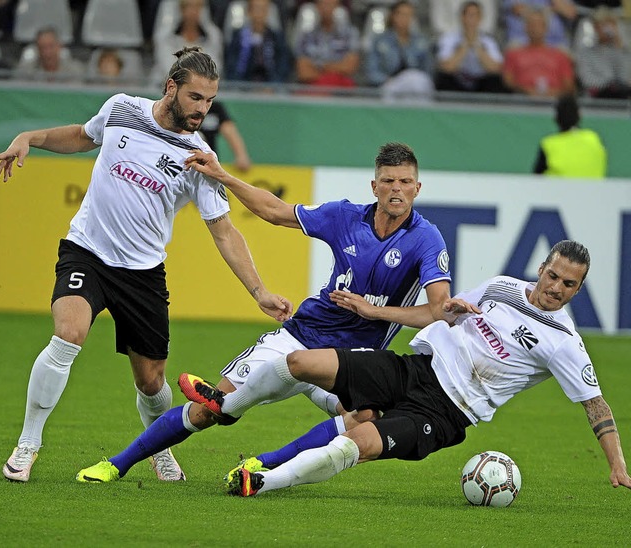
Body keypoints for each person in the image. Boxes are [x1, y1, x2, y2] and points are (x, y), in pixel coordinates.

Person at [74, 142, 479, 483]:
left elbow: (434, 310)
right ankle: (116, 465)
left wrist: (376, 313)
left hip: (354, 359)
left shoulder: (425, 238)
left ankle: (261, 465)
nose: (397, 189)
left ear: (417, 187)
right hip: (301, 336)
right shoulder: (344, 216)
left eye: (405, 181)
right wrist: (225, 177)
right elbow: (273, 211)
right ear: (374, 186)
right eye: (388, 181)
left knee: (364, 417)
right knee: (211, 411)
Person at [0, 46, 291, 483]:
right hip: (87, 252)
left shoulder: (199, 156)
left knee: (152, 382)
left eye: (209, 101)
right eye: (195, 98)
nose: (202, 109)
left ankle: (158, 446)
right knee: (67, 335)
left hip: (142, 274)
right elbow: (81, 135)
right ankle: (27, 444)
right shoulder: (122, 109)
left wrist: (259, 291)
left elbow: (224, 230)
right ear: (171, 87)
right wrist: (31, 138)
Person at [219, 240, 631, 497]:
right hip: (417, 369)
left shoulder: (565, 342)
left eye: (569, 284)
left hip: (445, 412)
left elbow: (596, 406)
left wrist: (617, 465)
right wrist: (450, 311)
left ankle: (263, 481)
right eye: (554, 275)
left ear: (579, 288)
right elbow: (443, 315)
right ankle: (226, 405)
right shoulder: (501, 286)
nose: (556, 288)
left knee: (353, 444)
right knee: (300, 361)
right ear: (542, 268)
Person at [364, 0, 435, 101]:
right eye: (401, 14)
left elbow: (427, 70)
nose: (404, 19)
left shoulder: (421, 42)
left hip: (416, 85)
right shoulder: (380, 41)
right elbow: (371, 71)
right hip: (390, 84)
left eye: (408, 15)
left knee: (417, 81)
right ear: (393, 16)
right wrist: (386, 80)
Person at [435, 1, 507, 93]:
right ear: (462, 17)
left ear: (480, 18)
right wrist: (465, 45)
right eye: (469, 15)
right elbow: (447, 67)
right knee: (443, 78)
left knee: (496, 80)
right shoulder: (449, 39)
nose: (471, 20)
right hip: (458, 81)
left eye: (475, 16)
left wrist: (477, 46)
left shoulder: (489, 41)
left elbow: (496, 68)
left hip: (481, 82)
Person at [502, 8, 575, 97]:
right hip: (521, 100)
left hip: (554, 100)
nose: (535, 28)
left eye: (539, 24)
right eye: (532, 24)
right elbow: (508, 81)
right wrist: (525, 90)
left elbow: (569, 85)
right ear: (525, 27)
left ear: (546, 28)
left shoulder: (560, 56)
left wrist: (554, 93)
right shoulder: (513, 54)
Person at [533, 94, 607, 177]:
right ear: (579, 116)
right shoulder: (594, 138)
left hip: (558, 189)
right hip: (595, 189)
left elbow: (536, 178)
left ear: (556, 119)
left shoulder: (548, 144)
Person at [152, 0, 224, 85]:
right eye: (189, 6)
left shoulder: (213, 37)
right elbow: (168, 69)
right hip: (165, 88)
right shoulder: (167, 38)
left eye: (198, 6)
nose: (193, 11)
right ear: (181, 9)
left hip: (202, 89)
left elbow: (215, 68)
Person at [294, 0, 360, 87]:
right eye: (323, 4)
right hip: (313, 89)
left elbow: (350, 67)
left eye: (329, 4)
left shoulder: (350, 34)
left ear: (337, 6)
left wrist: (319, 68)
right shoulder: (306, 36)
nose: (326, 8)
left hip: (341, 90)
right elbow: (303, 72)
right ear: (317, 7)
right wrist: (335, 69)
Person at [225, 0, 291, 83]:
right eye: (256, 8)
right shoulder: (238, 36)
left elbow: (283, 66)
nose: (260, 13)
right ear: (249, 12)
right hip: (243, 86)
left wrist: (273, 86)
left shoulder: (276, 38)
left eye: (263, 9)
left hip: (271, 88)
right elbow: (231, 64)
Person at [575, 6, 631, 99]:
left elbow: (625, 78)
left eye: (609, 24)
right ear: (595, 28)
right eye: (602, 24)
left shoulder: (623, 52)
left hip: (621, 100)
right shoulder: (586, 53)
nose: (606, 29)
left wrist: (619, 48)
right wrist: (609, 87)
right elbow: (587, 80)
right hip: (596, 100)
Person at [13, 27, 84, 83]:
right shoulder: (26, 71)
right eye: (42, 48)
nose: (47, 53)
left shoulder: (74, 70)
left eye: (51, 47)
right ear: (37, 49)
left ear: (59, 47)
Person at [199, 101, 252, 171]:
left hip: (209, 165)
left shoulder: (214, 108)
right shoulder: (182, 109)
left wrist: (241, 156)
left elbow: (228, 129)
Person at [502, 0, 577, 49]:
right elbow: (518, 9)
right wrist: (550, 10)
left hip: (555, 44)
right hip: (523, 42)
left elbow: (570, 13)